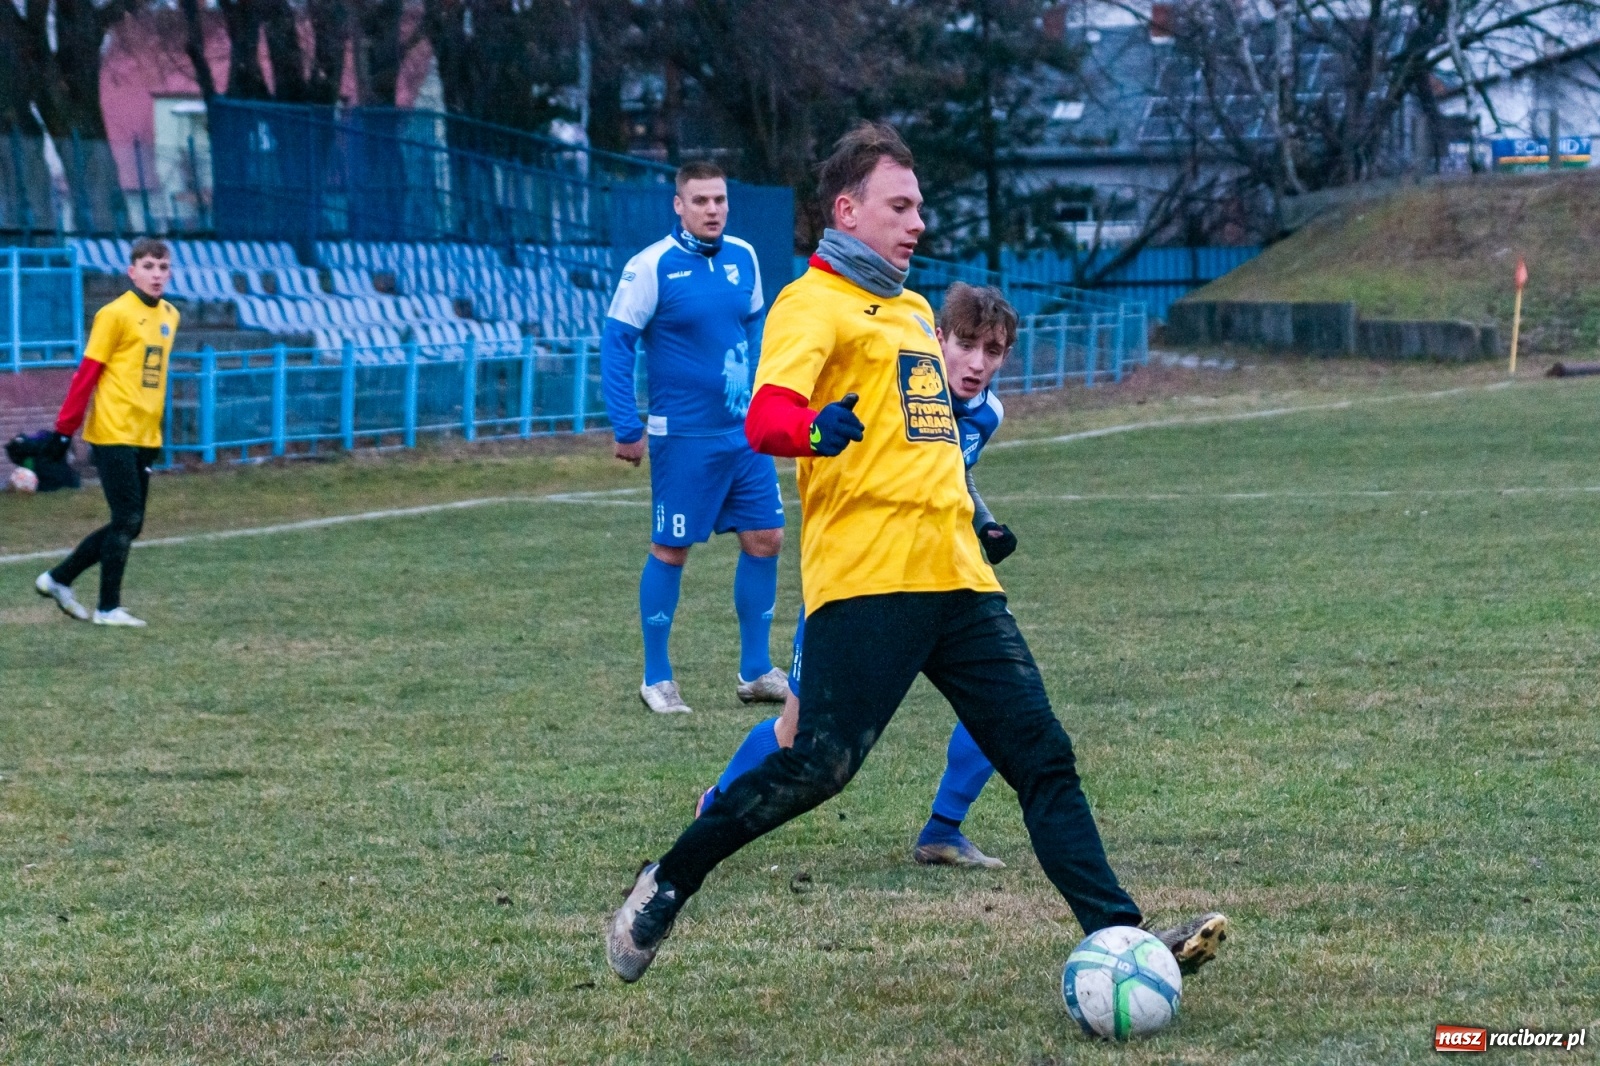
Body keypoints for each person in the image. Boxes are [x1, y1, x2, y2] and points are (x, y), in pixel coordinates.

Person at [607, 122, 1228, 984]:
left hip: (961, 583)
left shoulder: (909, 311)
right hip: (870, 580)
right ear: (847, 210)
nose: (918, 223)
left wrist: (977, 519)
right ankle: (670, 878)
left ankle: (1121, 938)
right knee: (820, 765)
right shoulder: (808, 303)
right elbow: (766, 418)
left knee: (1042, 755)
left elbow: (926, 446)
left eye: (921, 207)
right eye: (901, 206)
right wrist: (815, 429)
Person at [695, 283, 1020, 871]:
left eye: (993, 351)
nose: (977, 364)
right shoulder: (892, 389)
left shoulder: (987, 413)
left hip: (943, 580)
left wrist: (986, 523)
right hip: (857, 581)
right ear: (936, 338)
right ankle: (715, 809)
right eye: (966, 345)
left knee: (1004, 708)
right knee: (798, 737)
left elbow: (954, 474)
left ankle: (943, 829)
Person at [600, 161, 789, 715]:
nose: (712, 209)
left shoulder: (744, 257)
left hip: (743, 433)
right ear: (678, 205)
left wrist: (758, 388)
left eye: (720, 200)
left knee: (766, 539)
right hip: (683, 438)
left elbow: (753, 324)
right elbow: (617, 343)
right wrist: (627, 426)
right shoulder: (651, 266)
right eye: (701, 200)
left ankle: (755, 671)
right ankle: (656, 678)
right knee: (672, 548)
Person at [34, 238, 180, 628]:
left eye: (163, 267)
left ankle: (58, 579)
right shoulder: (114, 314)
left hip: (145, 436)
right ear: (132, 272)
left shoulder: (170, 315)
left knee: (130, 524)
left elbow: (150, 378)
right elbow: (87, 375)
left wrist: (156, 430)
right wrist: (65, 430)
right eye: (148, 266)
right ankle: (107, 608)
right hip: (113, 432)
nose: (157, 274)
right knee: (127, 518)